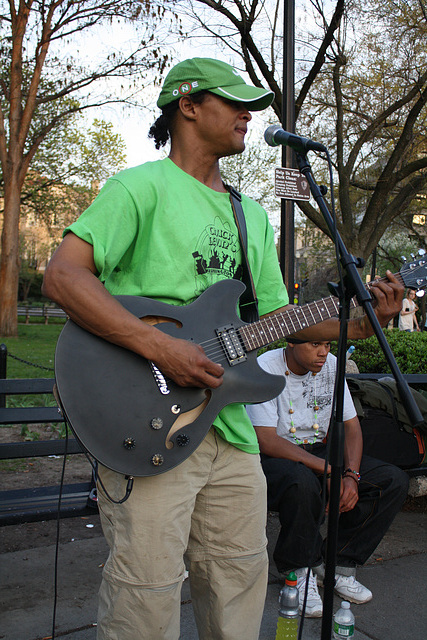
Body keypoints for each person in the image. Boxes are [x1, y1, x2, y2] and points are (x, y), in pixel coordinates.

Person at [42, 57, 403, 640]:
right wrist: (161, 347)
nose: (247, 116)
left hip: (230, 433)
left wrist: (357, 326)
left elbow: (280, 321)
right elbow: (64, 277)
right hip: (145, 424)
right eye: (234, 103)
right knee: (146, 594)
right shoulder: (139, 188)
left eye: (250, 108)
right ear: (188, 105)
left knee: (239, 582)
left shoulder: (250, 215)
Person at [246, 340, 409, 618]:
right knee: (303, 483)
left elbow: (352, 427)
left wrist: (352, 476)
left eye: (327, 344)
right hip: (276, 456)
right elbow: (266, 440)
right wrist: (330, 470)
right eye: (314, 345)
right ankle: (298, 569)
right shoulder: (266, 367)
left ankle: (338, 565)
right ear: (291, 342)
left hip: (320, 451)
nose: (323, 352)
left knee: (391, 480)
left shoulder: (331, 365)